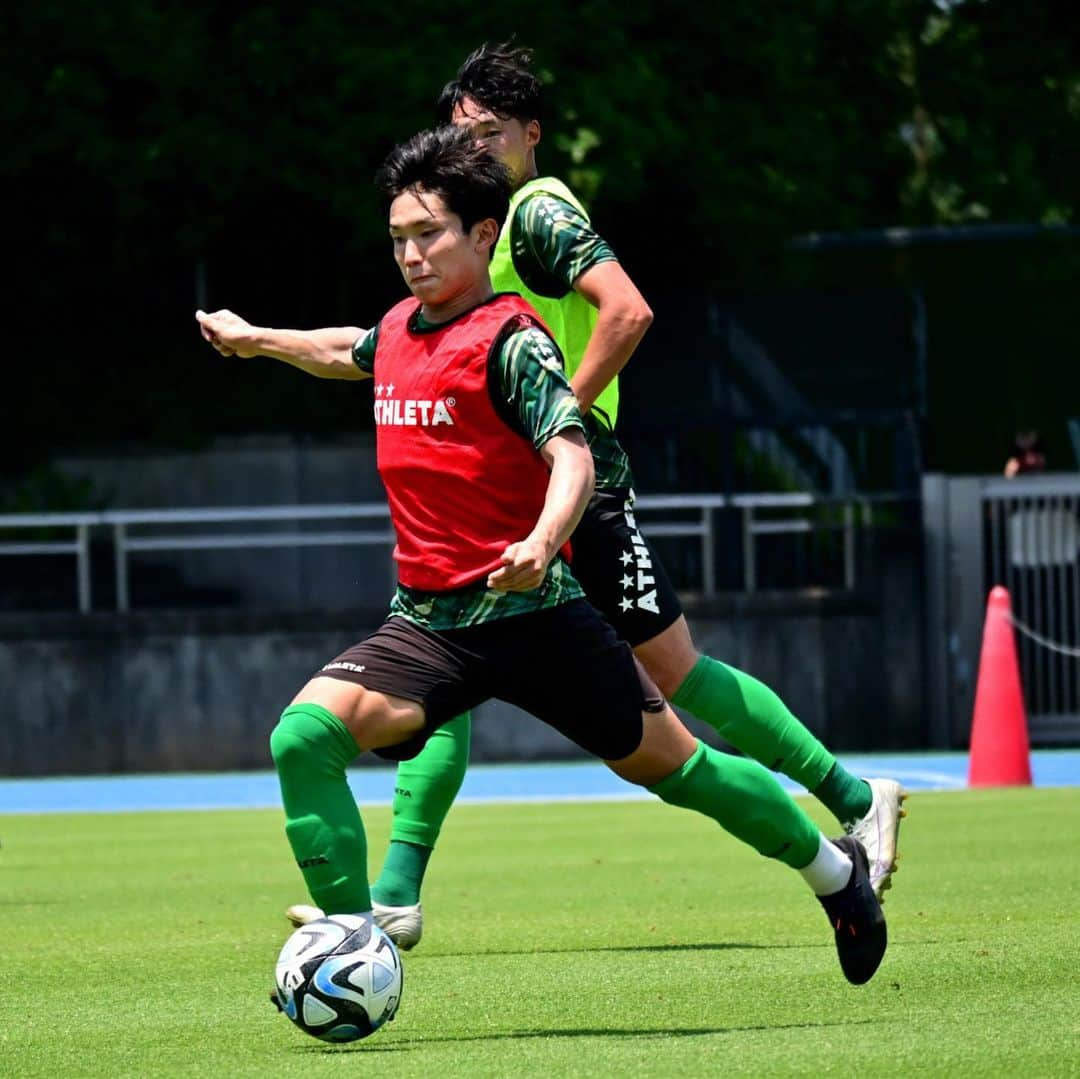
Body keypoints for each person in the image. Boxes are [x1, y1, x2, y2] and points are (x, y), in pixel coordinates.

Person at [196, 125, 887, 986]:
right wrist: (255, 336)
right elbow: (347, 350)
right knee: (302, 736)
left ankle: (835, 872)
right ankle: (351, 943)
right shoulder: (402, 332)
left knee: (683, 772)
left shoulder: (512, 341)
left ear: (484, 235)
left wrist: (542, 540)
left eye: (429, 234)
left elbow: (572, 452)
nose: (410, 255)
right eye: (398, 239)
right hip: (432, 624)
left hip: (541, 617)